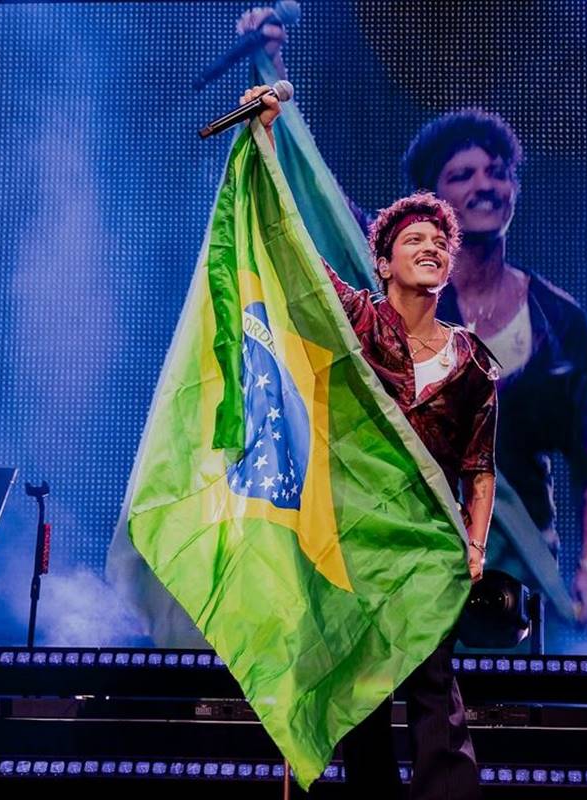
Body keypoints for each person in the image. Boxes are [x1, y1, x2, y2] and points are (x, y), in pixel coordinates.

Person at [235, 9, 587, 641]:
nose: (485, 185)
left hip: (514, 578)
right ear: (433, 203)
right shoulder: (386, 276)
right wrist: (269, 71)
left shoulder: (559, 318)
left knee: (514, 721)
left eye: (497, 170)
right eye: (462, 176)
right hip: (402, 552)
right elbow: (310, 192)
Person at [245, 85, 496, 800]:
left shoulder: (473, 362)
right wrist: (265, 141)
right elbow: (289, 244)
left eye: (438, 244)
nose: (430, 249)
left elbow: (480, 467)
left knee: (434, 695)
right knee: (357, 700)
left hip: (428, 547)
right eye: (413, 241)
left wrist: (474, 547)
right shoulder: (357, 321)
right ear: (383, 263)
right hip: (353, 536)